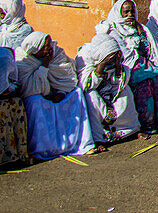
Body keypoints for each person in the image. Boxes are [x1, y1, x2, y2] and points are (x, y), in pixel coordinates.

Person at [101, 0, 158, 133]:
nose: (129, 15)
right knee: (145, 83)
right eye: (126, 12)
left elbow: (149, 49)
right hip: (127, 67)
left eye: (132, 12)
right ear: (119, 13)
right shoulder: (113, 30)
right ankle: (148, 122)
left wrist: (140, 30)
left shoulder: (141, 28)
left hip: (144, 63)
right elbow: (122, 54)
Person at [15, 31, 94, 160]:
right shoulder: (22, 61)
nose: (49, 48)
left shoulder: (56, 54)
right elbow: (29, 89)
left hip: (58, 94)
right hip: (40, 98)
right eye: (45, 46)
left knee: (77, 94)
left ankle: (81, 143)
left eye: (49, 44)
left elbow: (68, 78)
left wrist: (61, 92)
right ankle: (43, 149)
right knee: (34, 101)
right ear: (35, 48)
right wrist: (44, 65)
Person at [75, 31, 141, 150]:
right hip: (94, 91)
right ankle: (99, 138)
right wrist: (101, 67)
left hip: (111, 90)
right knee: (91, 98)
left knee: (126, 93)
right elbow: (84, 85)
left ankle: (129, 130)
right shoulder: (85, 57)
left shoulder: (116, 59)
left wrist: (116, 67)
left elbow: (120, 80)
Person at [0, 47, 29, 165]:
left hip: (8, 101)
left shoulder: (5, 55)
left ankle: (15, 154)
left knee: (16, 103)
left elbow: (12, 85)